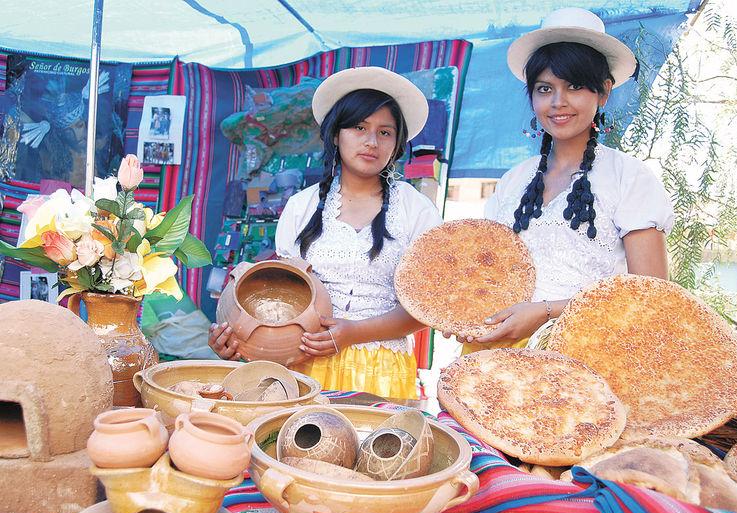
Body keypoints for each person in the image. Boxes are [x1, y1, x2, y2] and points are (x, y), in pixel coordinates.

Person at [210, 67, 442, 398]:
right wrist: (237, 340)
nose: (371, 142)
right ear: (336, 134)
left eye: (385, 132)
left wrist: (353, 333)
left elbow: (427, 309)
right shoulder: (301, 207)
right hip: (303, 369)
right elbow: (277, 299)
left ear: (397, 143)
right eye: (359, 127)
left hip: (382, 371)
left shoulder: (416, 210)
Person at [458, 7, 674, 349]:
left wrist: (545, 313)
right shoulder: (513, 181)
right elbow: (489, 276)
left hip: (584, 364)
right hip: (492, 362)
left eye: (574, 86)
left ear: (603, 93)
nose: (558, 102)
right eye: (545, 88)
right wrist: (462, 314)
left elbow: (652, 298)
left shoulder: (630, 179)